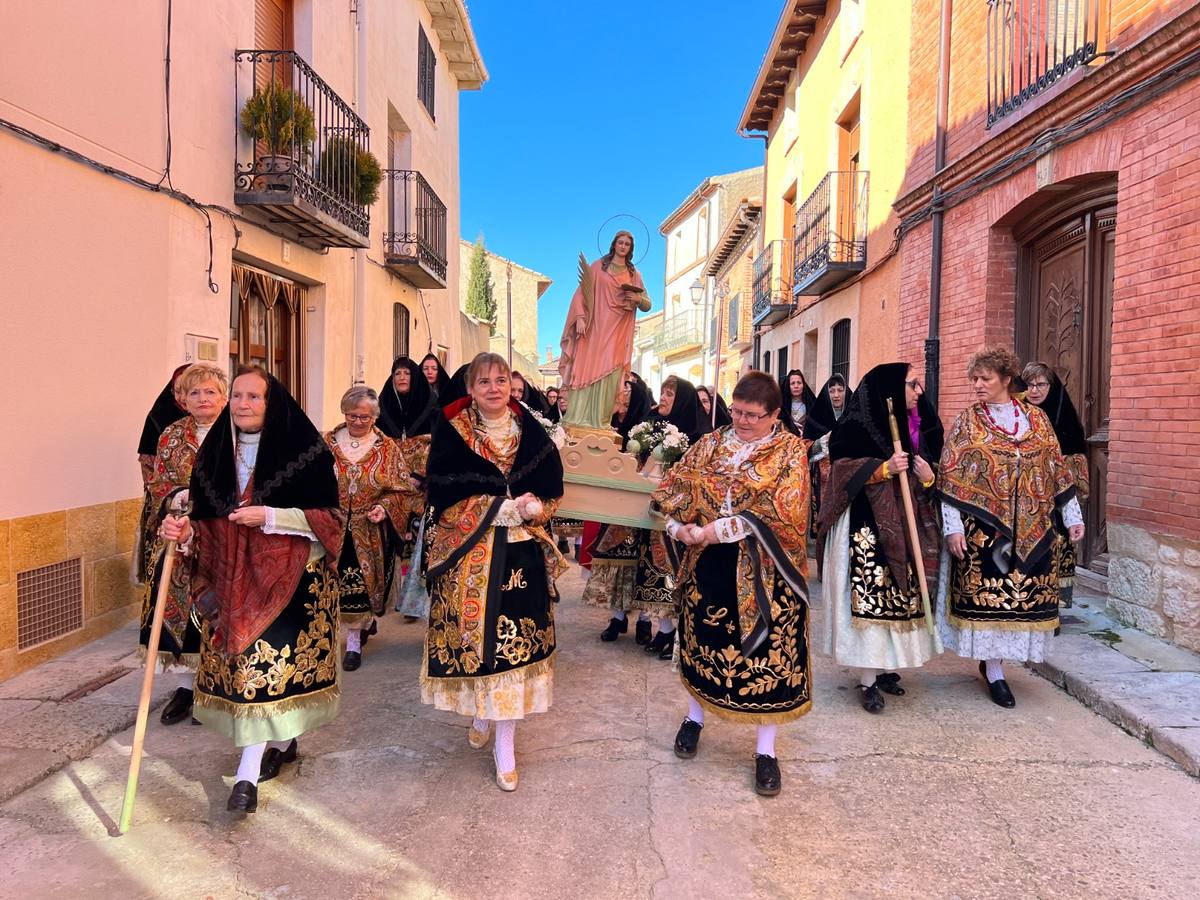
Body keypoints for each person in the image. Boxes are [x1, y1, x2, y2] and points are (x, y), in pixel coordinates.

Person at [161, 366, 343, 813]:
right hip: (229, 579)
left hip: (292, 579)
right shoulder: (213, 454)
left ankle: (246, 776)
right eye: (237, 396)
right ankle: (281, 741)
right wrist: (181, 533)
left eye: (253, 397)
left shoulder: (307, 452)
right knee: (248, 674)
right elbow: (203, 525)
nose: (242, 404)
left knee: (270, 673)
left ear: (272, 402)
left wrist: (272, 517)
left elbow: (333, 521)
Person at [654, 371, 812, 796]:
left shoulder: (791, 454)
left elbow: (787, 515)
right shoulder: (709, 444)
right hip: (708, 565)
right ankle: (694, 718)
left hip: (764, 570)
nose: (742, 421)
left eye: (753, 416)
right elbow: (672, 490)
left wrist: (717, 530)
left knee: (764, 658)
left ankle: (765, 750)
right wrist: (678, 527)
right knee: (703, 643)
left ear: (775, 415)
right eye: (737, 412)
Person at [421, 353, 566, 791]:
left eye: (501, 379)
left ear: (511, 385)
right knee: (480, 647)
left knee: (516, 651)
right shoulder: (453, 432)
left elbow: (552, 489)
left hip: (522, 555)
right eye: (483, 381)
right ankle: (482, 709)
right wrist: (492, 510)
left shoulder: (531, 431)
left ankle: (506, 745)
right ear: (471, 387)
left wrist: (539, 508)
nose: (494, 388)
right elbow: (441, 496)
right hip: (470, 555)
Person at [937, 347, 1084, 708]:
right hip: (985, 531)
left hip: (1034, 527)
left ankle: (998, 664)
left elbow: (1056, 468)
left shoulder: (1036, 420)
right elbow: (951, 476)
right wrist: (952, 527)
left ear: (1005, 379)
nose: (977, 385)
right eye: (974, 378)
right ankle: (994, 669)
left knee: (1021, 602)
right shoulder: (968, 421)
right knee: (989, 599)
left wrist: (1073, 515)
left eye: (985, 378)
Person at [817, 364, 944, 713]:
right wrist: (883, 468)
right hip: (864, 527)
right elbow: (840, 471)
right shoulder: (853, 427)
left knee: (900, 597)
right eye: (912, 384)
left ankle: (888, 666)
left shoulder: (914, 425)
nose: (920, 391)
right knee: (871, 601)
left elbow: (932, 467)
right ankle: (868, 680)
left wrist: (927, 475)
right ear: (890, 388)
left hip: (904, 524)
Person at [140, 363, 228, 725]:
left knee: (219, 611)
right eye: (195, 392)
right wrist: (176, 496)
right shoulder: (172, 435)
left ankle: (216, 687)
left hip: (224, 538)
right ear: (182, 399)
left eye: (210, 392)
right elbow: (159, 481)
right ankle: (187, 686)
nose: (203, 398)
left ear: (224, 396)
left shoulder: (239, 433)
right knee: (181, 612)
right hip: (179, 535)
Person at [325, 386, 418, 671]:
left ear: (374, 417)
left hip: (370, 530)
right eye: (352, 415)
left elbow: (403, 490)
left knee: (361, 587)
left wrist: (385, 508)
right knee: (334, 585)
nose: (357, 422)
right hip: (333, 528)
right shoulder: (327, 443)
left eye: (364, 417)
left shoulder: (387, 448)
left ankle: (354, 641)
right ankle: (352, 633)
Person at [559, 231, 653, 429]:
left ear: (630, 249)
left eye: (627, 244)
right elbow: (581, 295)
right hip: (594, 329)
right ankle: (578, 419)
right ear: (614, 244)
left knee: (611, 371)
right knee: (586, 368)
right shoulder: (597, 267)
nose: (623, 246)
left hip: (618, 331)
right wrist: (581, 318)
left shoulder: (634, 275)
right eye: (620, 242)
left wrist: (638, 299)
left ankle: (600, 421)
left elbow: (647, 303)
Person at [1022, 362, 1090, 608]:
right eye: (1029, 384)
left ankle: (1055, 607)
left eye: (1041, 384)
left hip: (1058, 500)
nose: (1035, 390)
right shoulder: (1019, 416)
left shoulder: (1066, 420)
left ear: (1051, 386)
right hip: (1027, 500)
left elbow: (1074, 460)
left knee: (1058, 545)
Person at [134, 365, 190, 585]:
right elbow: (149, 467)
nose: (185, 397)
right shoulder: (160, 419)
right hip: (167, 504)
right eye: (180, 390)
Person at [804, 374, 853, 557]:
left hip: (849, 478)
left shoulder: (855, 416)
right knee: (826, 522)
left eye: (840, 390)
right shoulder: (815, 417)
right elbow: (805, 446)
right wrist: (822, 443)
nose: (836, 395)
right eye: (832, 390)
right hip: (824, 481)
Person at [778, 369, 817, 436]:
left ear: (803, 385)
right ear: (788, 386)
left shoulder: (812, 404)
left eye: (799, 383)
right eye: (792, 383)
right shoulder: (781, 405)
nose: (796, 386)